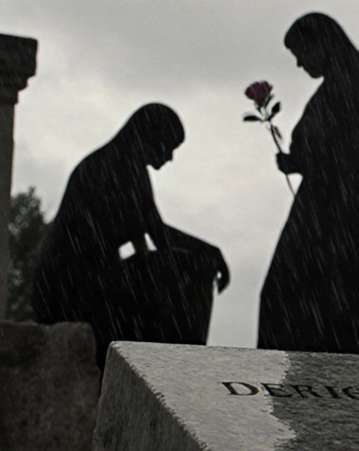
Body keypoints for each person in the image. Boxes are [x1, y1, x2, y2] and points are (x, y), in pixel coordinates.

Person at [257, 13, 359, 356]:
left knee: (297, 303)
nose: (301, 64)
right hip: (335, 228)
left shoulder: (355, 86)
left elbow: (357, 159)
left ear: (323, 44)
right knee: (296, 305)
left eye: (301, 53)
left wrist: (304, 160)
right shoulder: (346, 85)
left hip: (346, 232)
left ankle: (313, 395)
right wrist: (300, 160)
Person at [32, 104, 229, 368]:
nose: (169, 157)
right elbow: (159, 236)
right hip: (68, 294)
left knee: (178, 270)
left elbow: (148, 241)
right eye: (169, 146)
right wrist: (210, 253)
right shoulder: (117, 166)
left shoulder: (124, 164)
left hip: (79, 286)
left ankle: (177, 361)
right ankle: (184, 365)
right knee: (192, 268)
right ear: (150, 136)